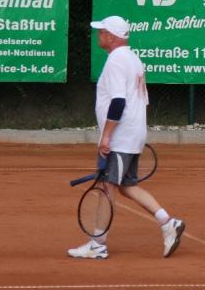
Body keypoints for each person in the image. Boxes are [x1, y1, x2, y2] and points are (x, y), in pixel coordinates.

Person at [68, 15, 185, 260]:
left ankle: (98, 244)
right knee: (127, 186)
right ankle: (168, 222)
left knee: (107, 188)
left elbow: (119, 102)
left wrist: (107, 136)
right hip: (131, 134)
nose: (99, 34)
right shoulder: (132, 58)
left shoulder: (116, 61)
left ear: (112, 36)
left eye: (102, 31)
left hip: (120, 137)